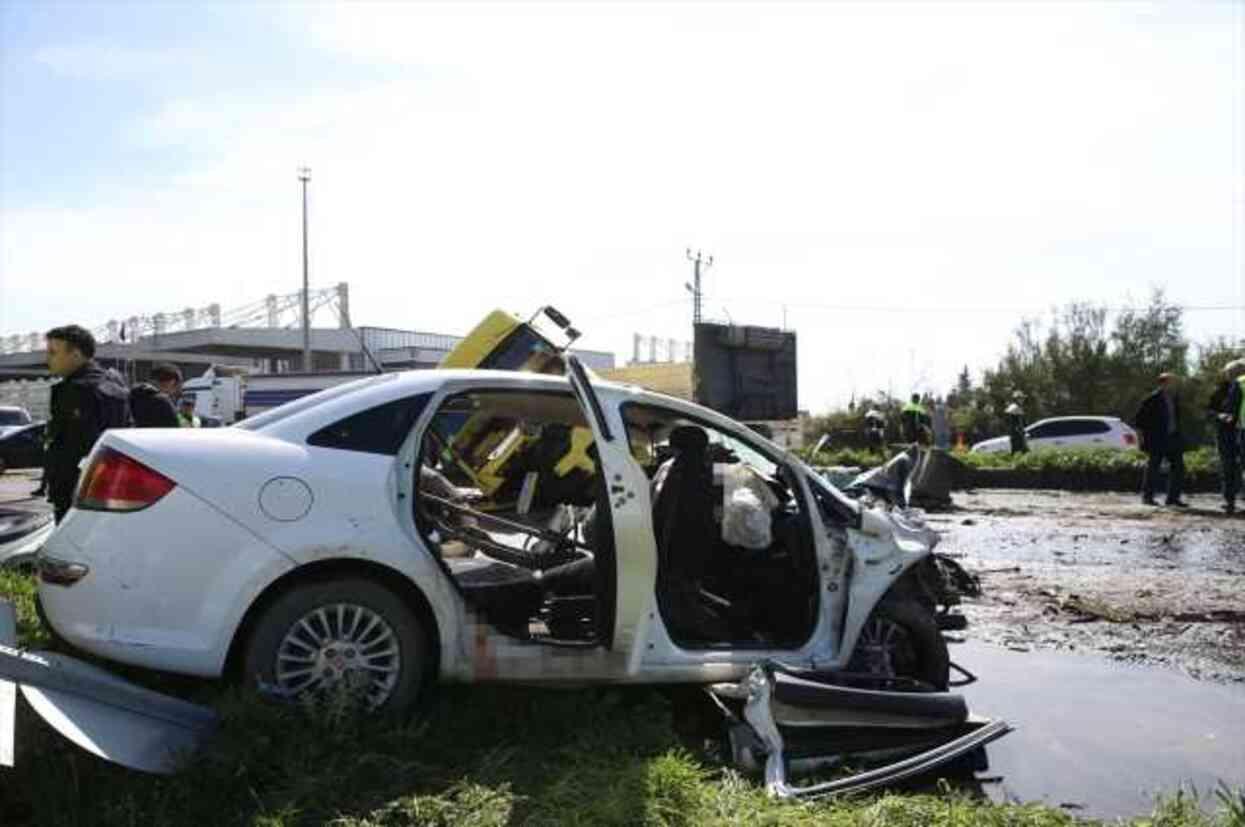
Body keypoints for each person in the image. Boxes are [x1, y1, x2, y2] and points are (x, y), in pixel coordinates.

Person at [44, 325, 132, 523]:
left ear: (75, 354)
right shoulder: (115, 383)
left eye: (53, 352)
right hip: (112, 487)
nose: (47, 358)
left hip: (76, 490)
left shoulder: (75, 391)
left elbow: (70, 448)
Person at [1134, 373, 1187, 508]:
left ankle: (1173, 498)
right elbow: (1139, 421)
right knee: (1153, 468)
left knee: (1179, 468)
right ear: (1163, 383)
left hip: (1172, 438)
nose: (1174, 384)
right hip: (1157, 439)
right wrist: (1141, 439)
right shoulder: (1152, 399)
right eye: (1172, 382)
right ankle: (1148, 497)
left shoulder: (1174, 398)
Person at [1207, 365, 1243, 514]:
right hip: (1225, 433)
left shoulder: (1241, 387)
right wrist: (1219, 415)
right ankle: (1229, 501)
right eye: (1231, 372)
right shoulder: (1220, 391)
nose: (1234, 374)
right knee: (1228, 467)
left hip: (1241, 432)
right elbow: (1209, 411)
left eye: (1238, 371)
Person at [130, 363, 182, 428]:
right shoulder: (163, 402)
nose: (176, 390)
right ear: (172, 382)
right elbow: (175, 427)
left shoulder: (132, 396)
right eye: (177, 385)